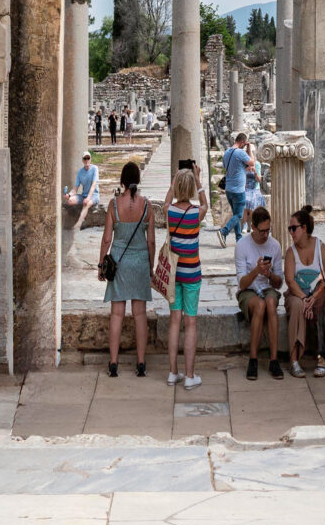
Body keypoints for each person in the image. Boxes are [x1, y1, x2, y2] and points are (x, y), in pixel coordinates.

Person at [99, 161, 153, 377]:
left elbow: (106, 239)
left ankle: (113, 363)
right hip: (140, 262)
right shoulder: (147, 205)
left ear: (122, 181)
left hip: (119, 263)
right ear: (138, 180)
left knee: (116, 314)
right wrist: (151, 266)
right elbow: (151, 242)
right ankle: (141, 363)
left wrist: (101, 265)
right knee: (139, 314)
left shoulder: (113, 205)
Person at [162, 162, 206, 387]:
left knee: (174, 321)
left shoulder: (169, 211)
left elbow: (166, 201)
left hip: (174, 275)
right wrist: (197, 179)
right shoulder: (197, 213)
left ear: (178, 186)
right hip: (192, 274)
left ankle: (172, 372)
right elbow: (205, 203)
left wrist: (174, 181)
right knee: (190, 323)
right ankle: (189, 376)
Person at [233, 203, 286, 380]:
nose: (265, 235)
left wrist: (269, 274)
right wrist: (256, 270)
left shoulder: (275, 245)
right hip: (248, 290)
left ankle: (274, 360)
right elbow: (242, 284)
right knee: (260, 305)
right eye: (262, 231)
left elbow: (279, 283)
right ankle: (253, 359)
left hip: (267, 288)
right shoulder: (242, 245)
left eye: (268, 230)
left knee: (270, 302)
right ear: (253, 227)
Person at [284, 203, 325, 377]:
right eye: (289, 229)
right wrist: (304, 298)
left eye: (294, 228)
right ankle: (294, 360)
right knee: (297, 305)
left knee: (322, 304)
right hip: (297, 294)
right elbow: (290, 281)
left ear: (304, 228)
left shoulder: (321, 249)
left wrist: (314, 297)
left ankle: (322, 357)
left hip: (317, 293)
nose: (291, 232)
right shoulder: (290, 252)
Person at [216, 131, 254, 241]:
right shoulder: (240, 153)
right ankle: (223, 231)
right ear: (242, 142)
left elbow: (226, 166)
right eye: (245, 144)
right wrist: (249, 149)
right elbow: (252, 162)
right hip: (238, 190)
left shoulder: (227, 152)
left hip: (229, 189)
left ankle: (239, 238)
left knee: (235, 214)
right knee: (239, 215)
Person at [64, 152, 99, 228]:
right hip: (84, 195)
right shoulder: (80, 172)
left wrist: (88, 198)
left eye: (88, 158)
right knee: (70, 201)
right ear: (82, 160)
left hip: (94, 195)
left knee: (87, 203)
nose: (86, 160)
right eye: (85, 158)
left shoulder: (95, 169)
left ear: (90, 159)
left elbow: (93, 185)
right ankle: (71, 220)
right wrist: (69, 195)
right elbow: (75, 188)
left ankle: (79, 222)